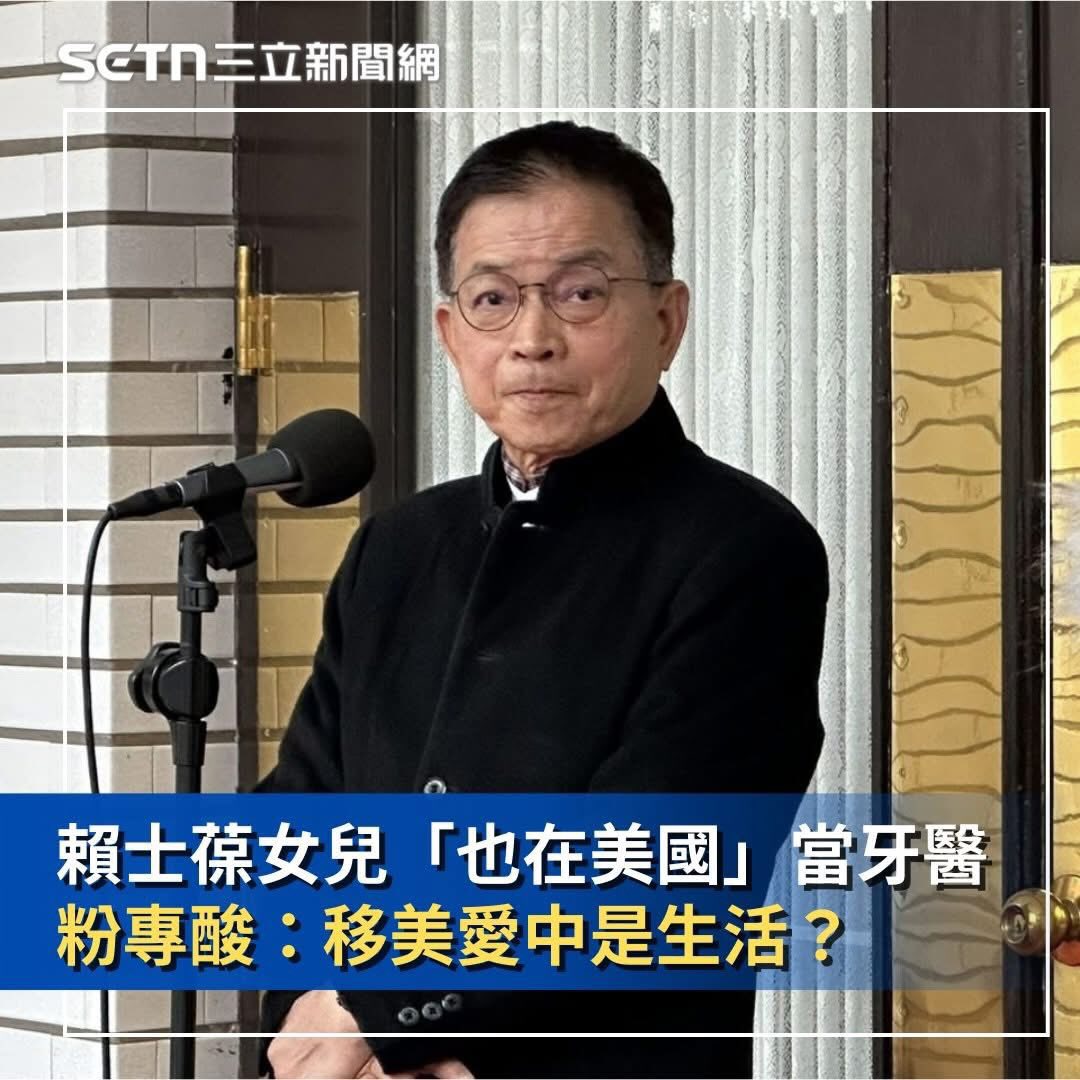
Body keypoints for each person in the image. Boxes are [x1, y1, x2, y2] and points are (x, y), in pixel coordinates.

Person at [259, 121, 829, 1079]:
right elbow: (297, 828)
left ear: (668, 320)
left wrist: (388, 1016)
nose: (532, 340)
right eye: (493, 298)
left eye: (580, 293)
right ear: (451, 334)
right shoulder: (397, 548)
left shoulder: (742, 548)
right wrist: (313, 1016)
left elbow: (652, 864)